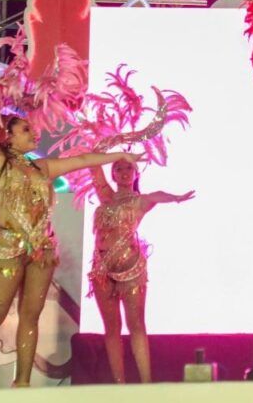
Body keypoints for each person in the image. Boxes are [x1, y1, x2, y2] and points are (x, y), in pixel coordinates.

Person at [0, 41, 139, 389]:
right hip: (7, 249)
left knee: (31, 316)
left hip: (42, 250)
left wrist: (118, 156)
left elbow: (83, 161)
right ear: (7, 139)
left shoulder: (43, 167)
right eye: (24, 130)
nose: (33, 132)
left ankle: (22, 384)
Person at [88, 161, 194, 384]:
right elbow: (94, 165)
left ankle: (146, 385)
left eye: (129, 169)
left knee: (136, 325)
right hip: (101, 270)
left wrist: (175, 198)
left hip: (131, 270)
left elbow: (157, 195)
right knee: (111, 328)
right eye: (119, 168)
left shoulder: (139, 201)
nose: (124, 173)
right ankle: (120, 386)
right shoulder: (105, 196)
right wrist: (105, 148)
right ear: (113, 174)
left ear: (136, 173)